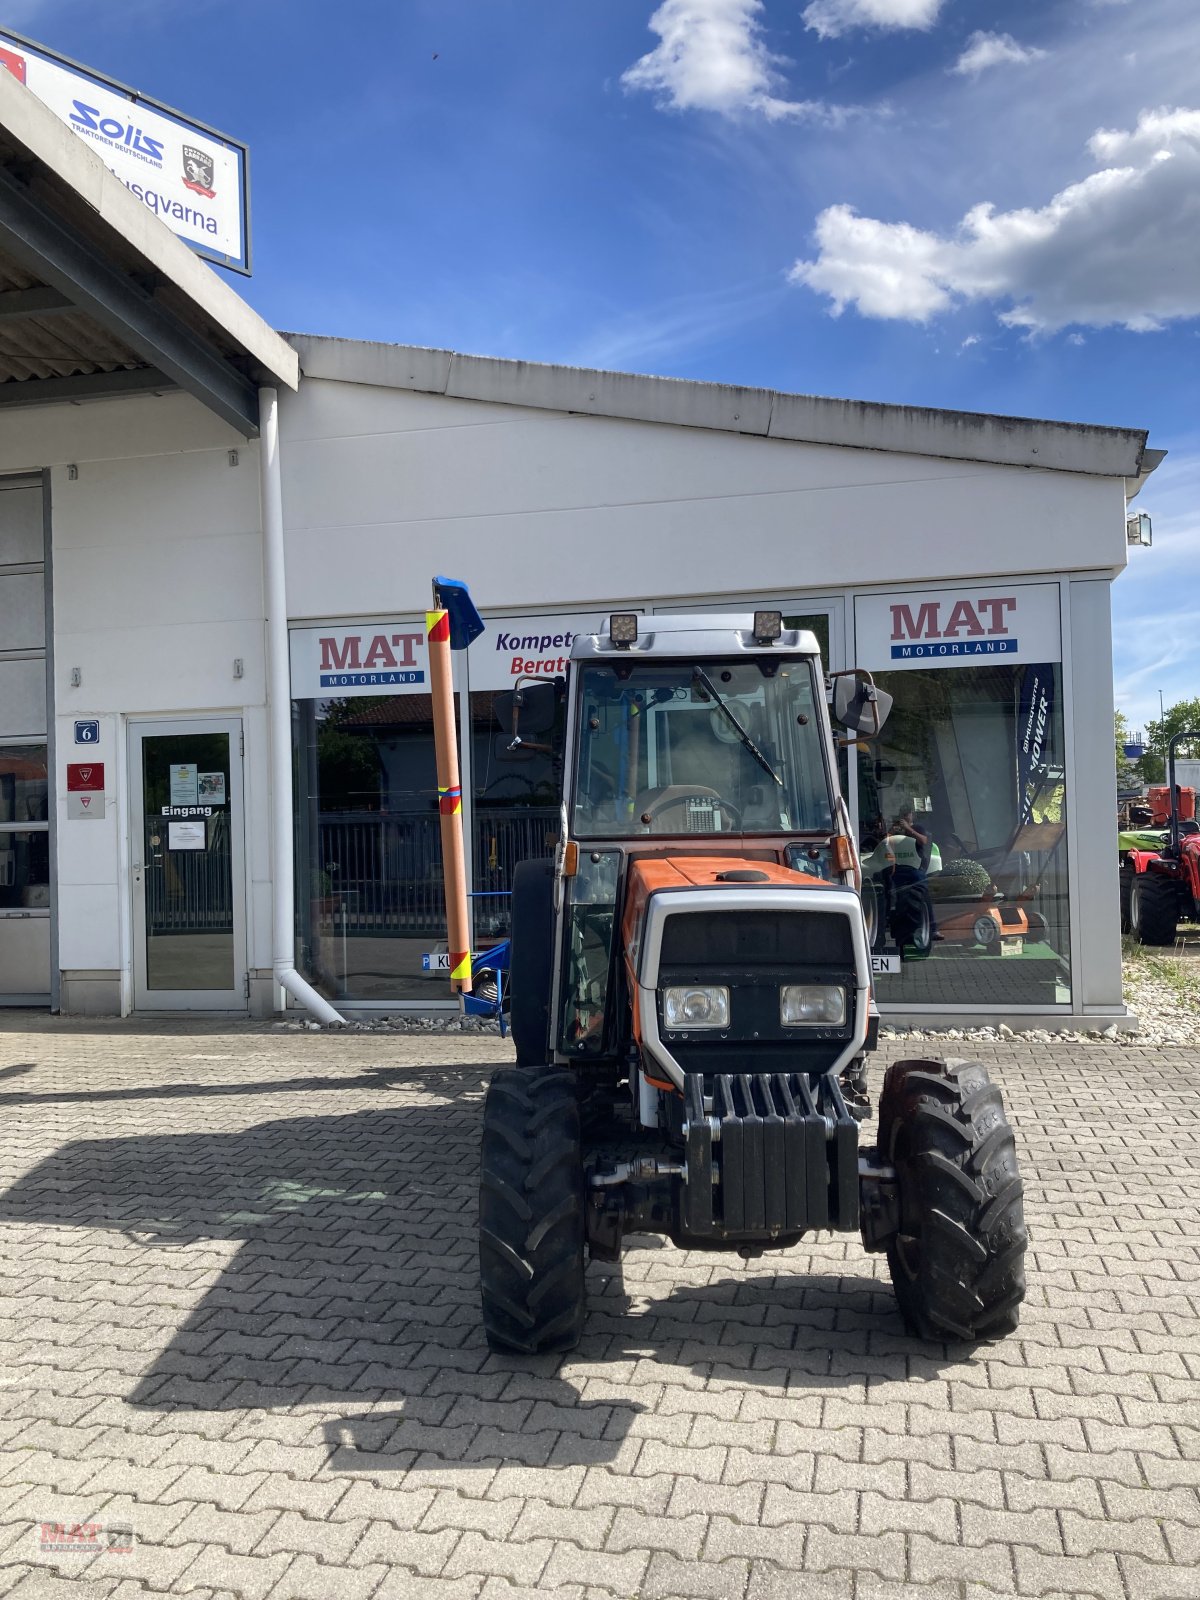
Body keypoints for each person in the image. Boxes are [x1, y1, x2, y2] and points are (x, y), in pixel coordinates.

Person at [890, 804, 942, 942]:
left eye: (907, 814)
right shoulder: (897, 831)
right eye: (903, 814)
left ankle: (932, 928)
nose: (905, 817)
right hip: (898, 868)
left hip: (914, 868)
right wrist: (892, 832)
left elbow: (924, 841)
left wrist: (908, 829)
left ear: (911, 815)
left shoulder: (918, 828)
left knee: (923, 892)